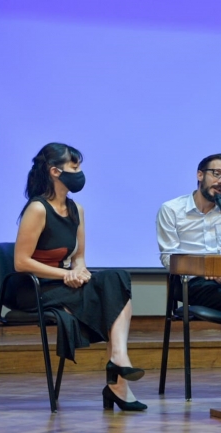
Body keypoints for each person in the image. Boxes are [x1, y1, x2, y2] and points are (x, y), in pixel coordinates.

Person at [14, 143, 146, 411]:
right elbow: (21, 262)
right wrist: (66, 274)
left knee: (116, 280)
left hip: (61, 281)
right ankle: (118, 382)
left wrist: (79, 271)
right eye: (74, 167)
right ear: (54, 171)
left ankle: (119, 361)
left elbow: (79, 257)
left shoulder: (77, 210)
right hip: (34, 287)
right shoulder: (38, 209)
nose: (80, 172)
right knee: (114, 298)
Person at [156, 153, 221, 387]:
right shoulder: (171, 209)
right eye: (216, 174)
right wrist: (205, 267)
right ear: (200, 175)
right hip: (189, 283)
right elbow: (169, 258)